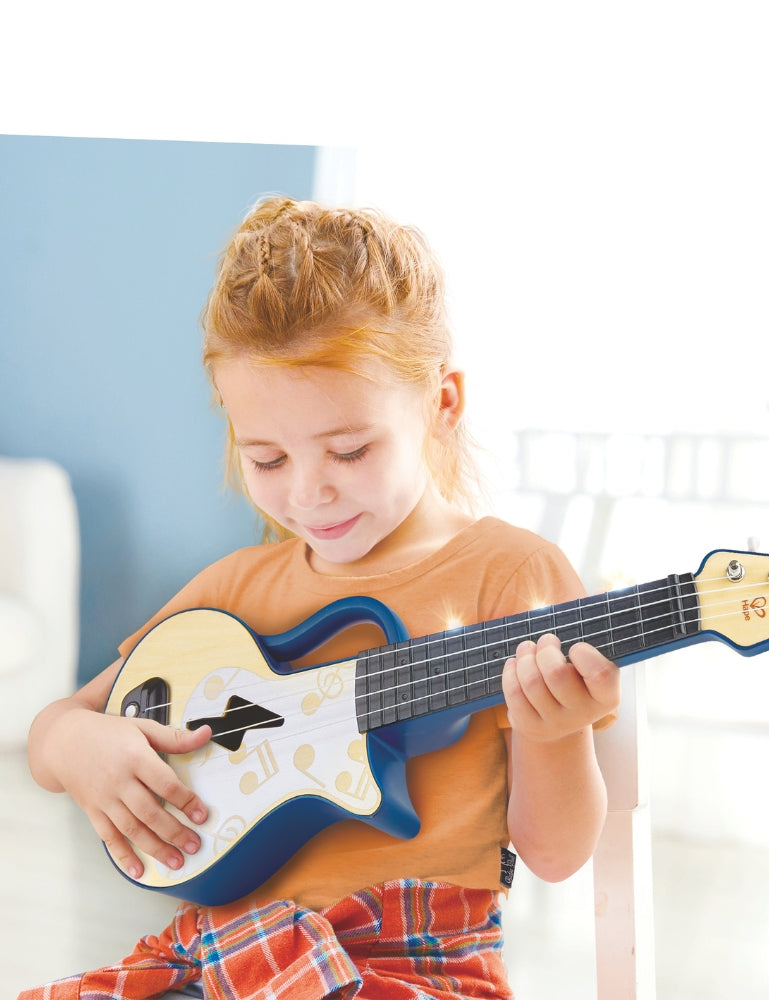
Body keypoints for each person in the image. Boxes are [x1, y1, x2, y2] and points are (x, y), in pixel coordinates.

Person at [21, 197, 621, 999]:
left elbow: (554, 855)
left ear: (442, 403)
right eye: (266, 459)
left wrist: (560, 733)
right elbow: (57, 727)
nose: (309, 493)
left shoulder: (509, 576)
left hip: (413, 963)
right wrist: (74, 748)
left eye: (350, 449)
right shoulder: (234, 592)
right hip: (218, 956)